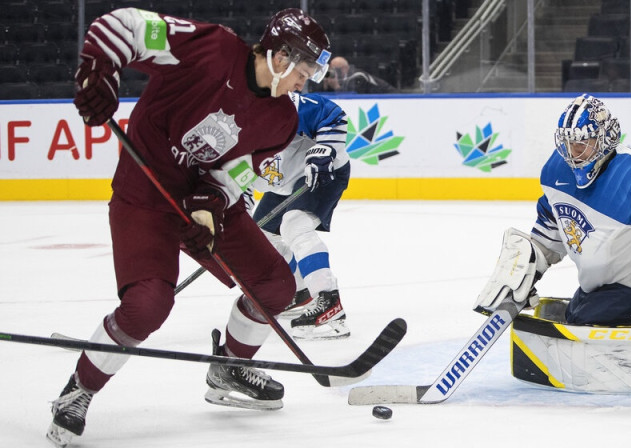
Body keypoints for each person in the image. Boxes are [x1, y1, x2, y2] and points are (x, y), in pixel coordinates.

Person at [48, 7, 332, 447]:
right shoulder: (210, 48)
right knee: (148, 306)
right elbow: (119, 26)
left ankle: (230, 367)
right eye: (306, 69)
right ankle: (78, 390)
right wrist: (99, 74)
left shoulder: (280, 120)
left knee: (275, 284)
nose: (306, 80)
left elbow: (238, 175)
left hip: (203, 203)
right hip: (144, 196)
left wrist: (210, 205)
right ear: (281, 57)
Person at [474, 94, 631, 396]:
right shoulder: (555, 171)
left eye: (581, 143)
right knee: (578, 313)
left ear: (605, 138)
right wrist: (526, 268)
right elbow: (553, 225)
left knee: (587, 318)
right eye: (567, 142)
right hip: (603, 285)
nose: (572, 153)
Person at [248, 91, 351, 340]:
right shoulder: (225, 140)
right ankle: (299, 291)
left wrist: (325, 148)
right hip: (281, 184)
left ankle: (329, 305)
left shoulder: (276, 103)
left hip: (319, 173)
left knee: (294, 226)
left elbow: (331, 114)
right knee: (258, 236)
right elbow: (239, 189)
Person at [315, 56, 397, 94]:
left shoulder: (359, 77)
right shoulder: (341, 79)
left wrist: (336, 86)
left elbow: (353, 97)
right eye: (332, 69)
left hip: (390, 96)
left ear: (345, 68)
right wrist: (325, 87)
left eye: (336, 69)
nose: (334, 72)